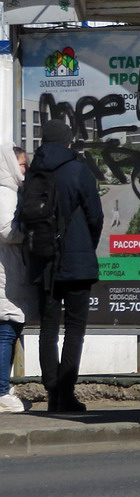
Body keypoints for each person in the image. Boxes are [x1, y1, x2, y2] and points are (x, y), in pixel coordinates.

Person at [28, 120, 103, 414]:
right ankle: (66, 393)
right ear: (68, 141)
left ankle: (52, 392)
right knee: (74, 329)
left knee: (47, 329)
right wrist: (87, 245)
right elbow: (95, 215)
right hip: (76, 260)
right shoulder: (78, 169)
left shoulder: (34, 171)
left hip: (43, 260)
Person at [0, 146, 35, 413]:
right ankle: (1, 392)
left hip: (8, 271)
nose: (25, 170)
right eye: (22, 165)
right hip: (5, 274)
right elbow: (6, 230)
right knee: (7, 331)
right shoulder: (5, 193)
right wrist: (31, 231)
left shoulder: (11, 192)